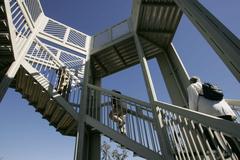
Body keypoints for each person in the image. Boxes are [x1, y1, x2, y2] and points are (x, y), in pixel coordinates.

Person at [187, 76, 239, 158]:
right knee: (232, 136)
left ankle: (217, 151)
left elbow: (192, 102)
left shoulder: (192, 86)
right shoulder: (210, 86)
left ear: (191, 81)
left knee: (203, 128)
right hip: (226, 111)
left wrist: (193, 116)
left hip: (210, 112)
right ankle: (236, 152)